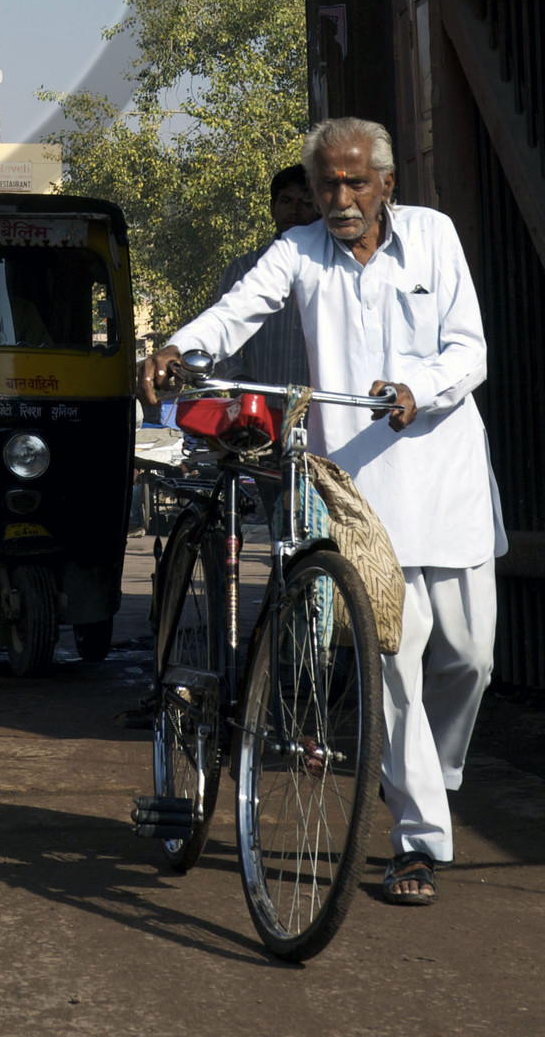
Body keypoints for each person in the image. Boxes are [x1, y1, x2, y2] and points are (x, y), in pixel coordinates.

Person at [138, 116, 505, 906]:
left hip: (451, 478)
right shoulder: (300, 252)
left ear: (386, 183)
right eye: (328, 184)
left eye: (355, 182)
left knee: (470, 658)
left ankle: (423, 782)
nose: (341, 197)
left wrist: (419, 387)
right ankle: (418, 840)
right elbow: (236, 312)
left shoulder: (435, 239)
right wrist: (176, 348)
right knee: (398, 670)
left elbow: (470, 350)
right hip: (363, 496)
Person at [211, 162, 316, 391]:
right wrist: (240, 380)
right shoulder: (244, 269)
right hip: (261, 413)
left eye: (305, 203)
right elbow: (219, 335)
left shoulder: (333, 270)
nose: (294, 211)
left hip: (323, 410)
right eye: (286, 201)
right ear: (272, 208)